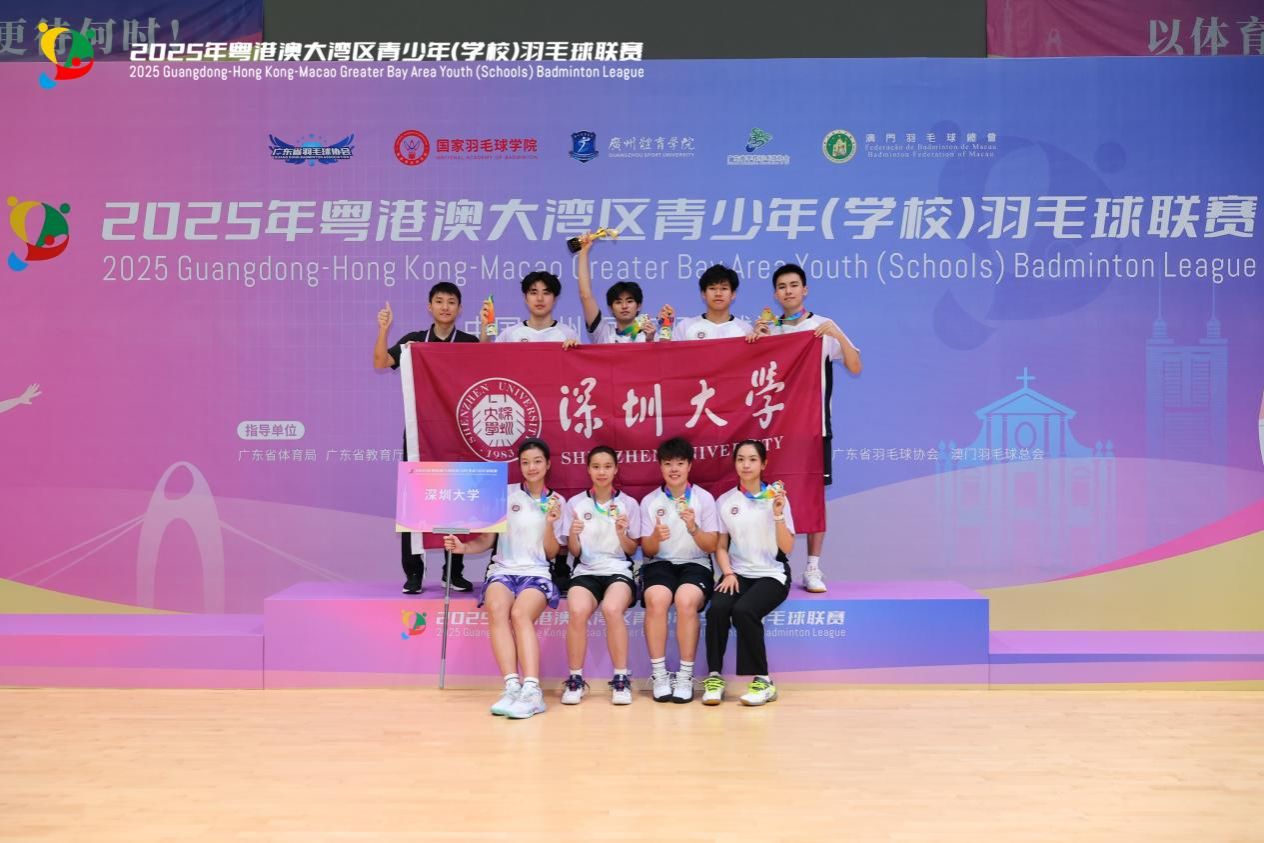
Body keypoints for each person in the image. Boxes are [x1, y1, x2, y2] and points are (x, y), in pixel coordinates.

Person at [755, 263, 862, 593]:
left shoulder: (821, 326)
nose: (788, 291)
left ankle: (813, 567)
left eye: (793, 285)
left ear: (805, 290)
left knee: (813, 497)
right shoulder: (769, 329)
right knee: (767, 496)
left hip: (813, 428)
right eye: (782, 286)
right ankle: (768, 563)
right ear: (775, 294)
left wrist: (837, 335)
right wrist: (754, 340)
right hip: (773, 429)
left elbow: (855, 365)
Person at [443, 438, 565, 720]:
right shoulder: (505, 495)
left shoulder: (557, 502)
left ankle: (532, 692)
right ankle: (512, 686)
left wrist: (549, 523)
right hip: (503, 571)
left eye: (537, 461)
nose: (531, 467)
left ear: (548, 464)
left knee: (520, 614)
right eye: (525, 462)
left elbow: (551, 552)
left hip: (536, 573)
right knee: (497, 609)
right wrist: (463, 548)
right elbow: (486, 540)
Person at [374, 282, 480, 595]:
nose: (445, 307)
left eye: (451, 302)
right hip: (420, 434)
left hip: (458, 435)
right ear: (429, 306)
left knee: (456, 501)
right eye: (439, 301)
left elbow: (485, 368)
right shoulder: (414, 342)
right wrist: (384, 330)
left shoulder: (469, 342)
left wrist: (487, 334)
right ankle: (414, 573)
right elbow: (381, 362)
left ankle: (453, 571)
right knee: (415, 503)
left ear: (460, 309)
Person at [704, 440, 795, 707]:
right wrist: (728, 573)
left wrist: (778, 515)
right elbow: (721, 547)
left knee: (744, 610)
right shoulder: (725, 501)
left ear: (764, 464)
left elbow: (787, 547)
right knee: (717, 609)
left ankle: (763, 681)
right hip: (738, 573)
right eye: (741, 459)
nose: (746, 465)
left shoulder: (776, 498)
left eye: (753, 459)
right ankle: (714, 677)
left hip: (772, 574)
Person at [639, 436, 719, 703]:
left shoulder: (704, 499)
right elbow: (647, 550)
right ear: (660, 467)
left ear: (689, 466)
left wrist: (693, 528)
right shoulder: (650, 501)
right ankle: (660, 674)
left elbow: (711, 545)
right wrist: (655, 537)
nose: (674, 469)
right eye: (668, 463)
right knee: (657, 599)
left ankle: (685, 675)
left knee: (686, 600)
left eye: (680, 463)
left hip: (696, 563)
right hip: (660, 564)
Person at [559, 446, 642, 705]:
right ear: (588, 469)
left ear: (616, 469)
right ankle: (575, 679)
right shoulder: (575, 504)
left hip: (618, 570)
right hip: (586, 570)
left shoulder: (629, 504)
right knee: (577, 610)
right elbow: (574, 551)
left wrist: (621, 534)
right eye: (596, 467)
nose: (602, 472)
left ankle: (620, 679)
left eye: (607, 466)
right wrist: (573, 534)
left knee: (612, 609)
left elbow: (632, 549)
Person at [575, 235, 654, 343]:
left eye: (629, 301)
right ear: (611, 308)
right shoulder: (603, 333)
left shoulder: (649, 335)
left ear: (639, 306)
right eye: (618, 302)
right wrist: (583, 252)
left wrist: (650, 341)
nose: (624, 306)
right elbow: (585, 295)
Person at [658, 264, 755, 343]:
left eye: (724, 288)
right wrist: (666, 327)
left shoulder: (745, 330)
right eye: (712, 288)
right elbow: (668, 355)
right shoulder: (685, 326)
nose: (718, 294)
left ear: (733, 294)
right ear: (703, 294)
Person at [481, 270, 580, 347]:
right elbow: (487, 358)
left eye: (546, 293)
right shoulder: (510, 334)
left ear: (555, 299)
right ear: (525, 298)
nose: (540, 298)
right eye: (533, 293)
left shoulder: (568, 334)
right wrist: (487, 327)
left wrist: (574, 351)